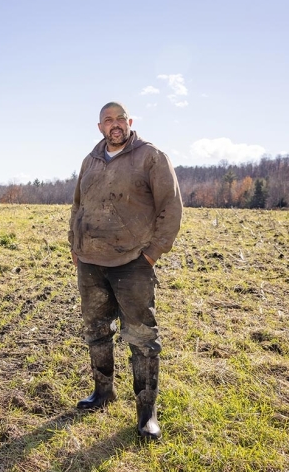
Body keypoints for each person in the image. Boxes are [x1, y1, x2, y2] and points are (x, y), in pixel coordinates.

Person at [68, 101, 183, 440]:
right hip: (90, 262)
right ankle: (103, 392)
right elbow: (78, 204)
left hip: (133, 262)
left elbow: (171, 207)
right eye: (108, 120)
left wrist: (151, 253)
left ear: (130, 122)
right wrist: (75, 245)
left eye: (120, 118)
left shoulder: (151, 157)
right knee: (96, 331)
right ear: (100, 126)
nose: (114, 124)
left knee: (142, 339)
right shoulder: (90, 160)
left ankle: (147, 413)